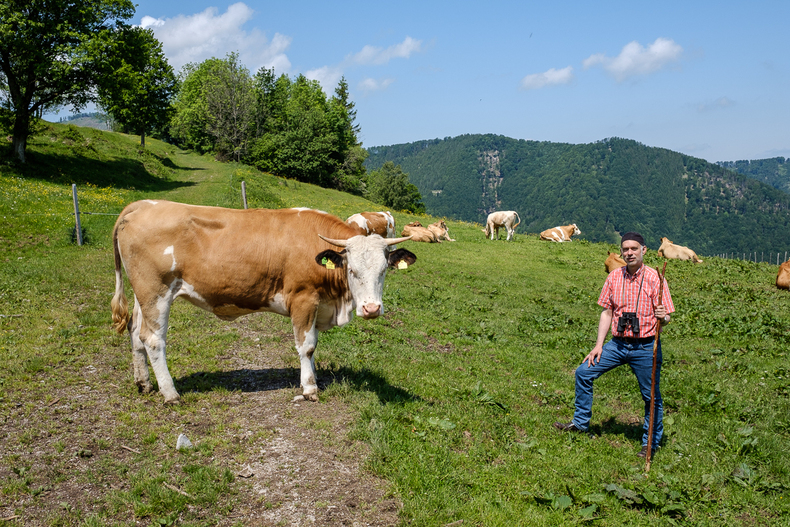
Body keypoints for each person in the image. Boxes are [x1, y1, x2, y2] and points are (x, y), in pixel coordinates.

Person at [554, 232, 674, 458]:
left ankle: (650, 444)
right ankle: (580, 424)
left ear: (644, 250)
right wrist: (599, 345)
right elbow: (607, 312)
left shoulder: (656, 279)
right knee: (583, 372)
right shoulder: (614, 277)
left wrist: (663, 317)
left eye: (634, 249)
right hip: (617, 344)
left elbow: (666, 318)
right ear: (621, 251)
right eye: (625, 249)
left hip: (646, 347)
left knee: (651, 397)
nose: (629, 253)